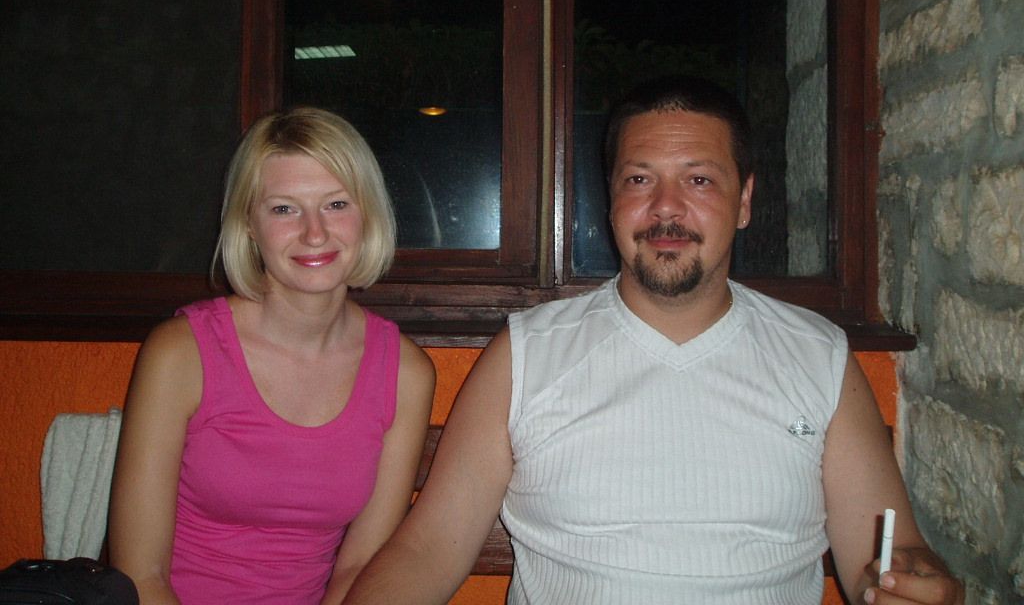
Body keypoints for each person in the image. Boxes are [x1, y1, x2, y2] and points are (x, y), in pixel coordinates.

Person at [342, 77, 963, 604]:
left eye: (699, 181)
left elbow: (890, 557)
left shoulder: (818, 356)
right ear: (611, 200)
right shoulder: (527, 354)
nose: (667, 208)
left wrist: (919, 585)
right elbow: (427, 551)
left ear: (744, 200)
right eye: (640, 180)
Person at [109, 107, 435, 604]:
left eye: (336, 204)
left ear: (368, 214)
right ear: (248, 225)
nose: (314, 233)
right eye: (284, 209)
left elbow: (360, 568)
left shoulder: (406, 374)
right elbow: (140, 573)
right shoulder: (180, 353)